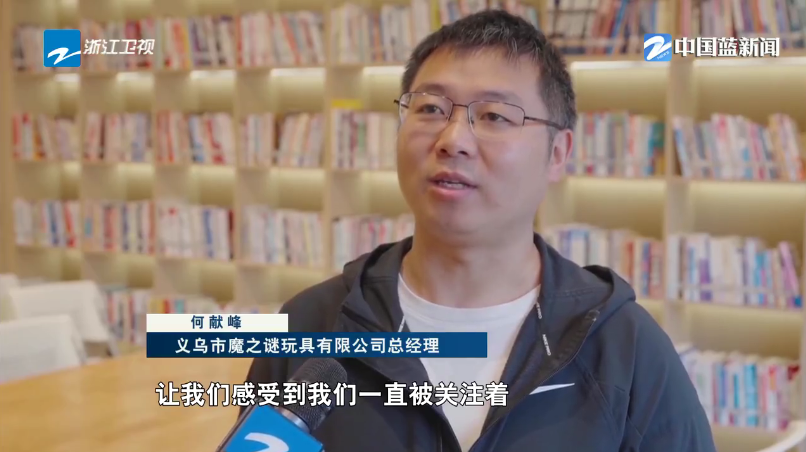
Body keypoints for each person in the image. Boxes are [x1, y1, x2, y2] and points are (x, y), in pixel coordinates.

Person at [242, 9, 716, 452]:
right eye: (430, 109)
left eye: (494, 116)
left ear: (557, 153)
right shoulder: (309, 325)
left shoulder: (627, 350)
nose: (452, 140)